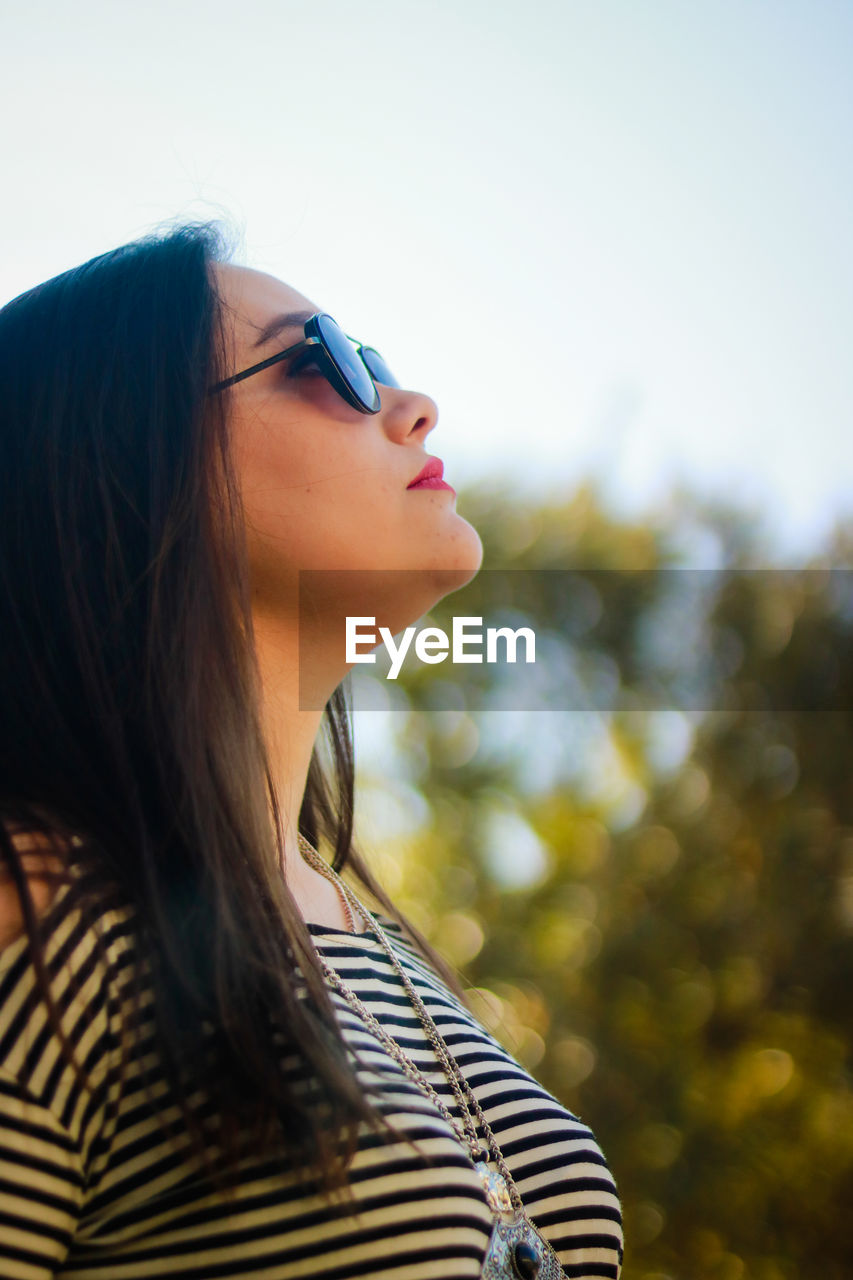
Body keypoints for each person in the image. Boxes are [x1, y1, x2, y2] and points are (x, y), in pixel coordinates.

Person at [0, 222, 624, 1279]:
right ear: (120, 458)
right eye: (319, 357)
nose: (409, 402)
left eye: (372, 359)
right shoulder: (38, 899)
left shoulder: (377, 936)